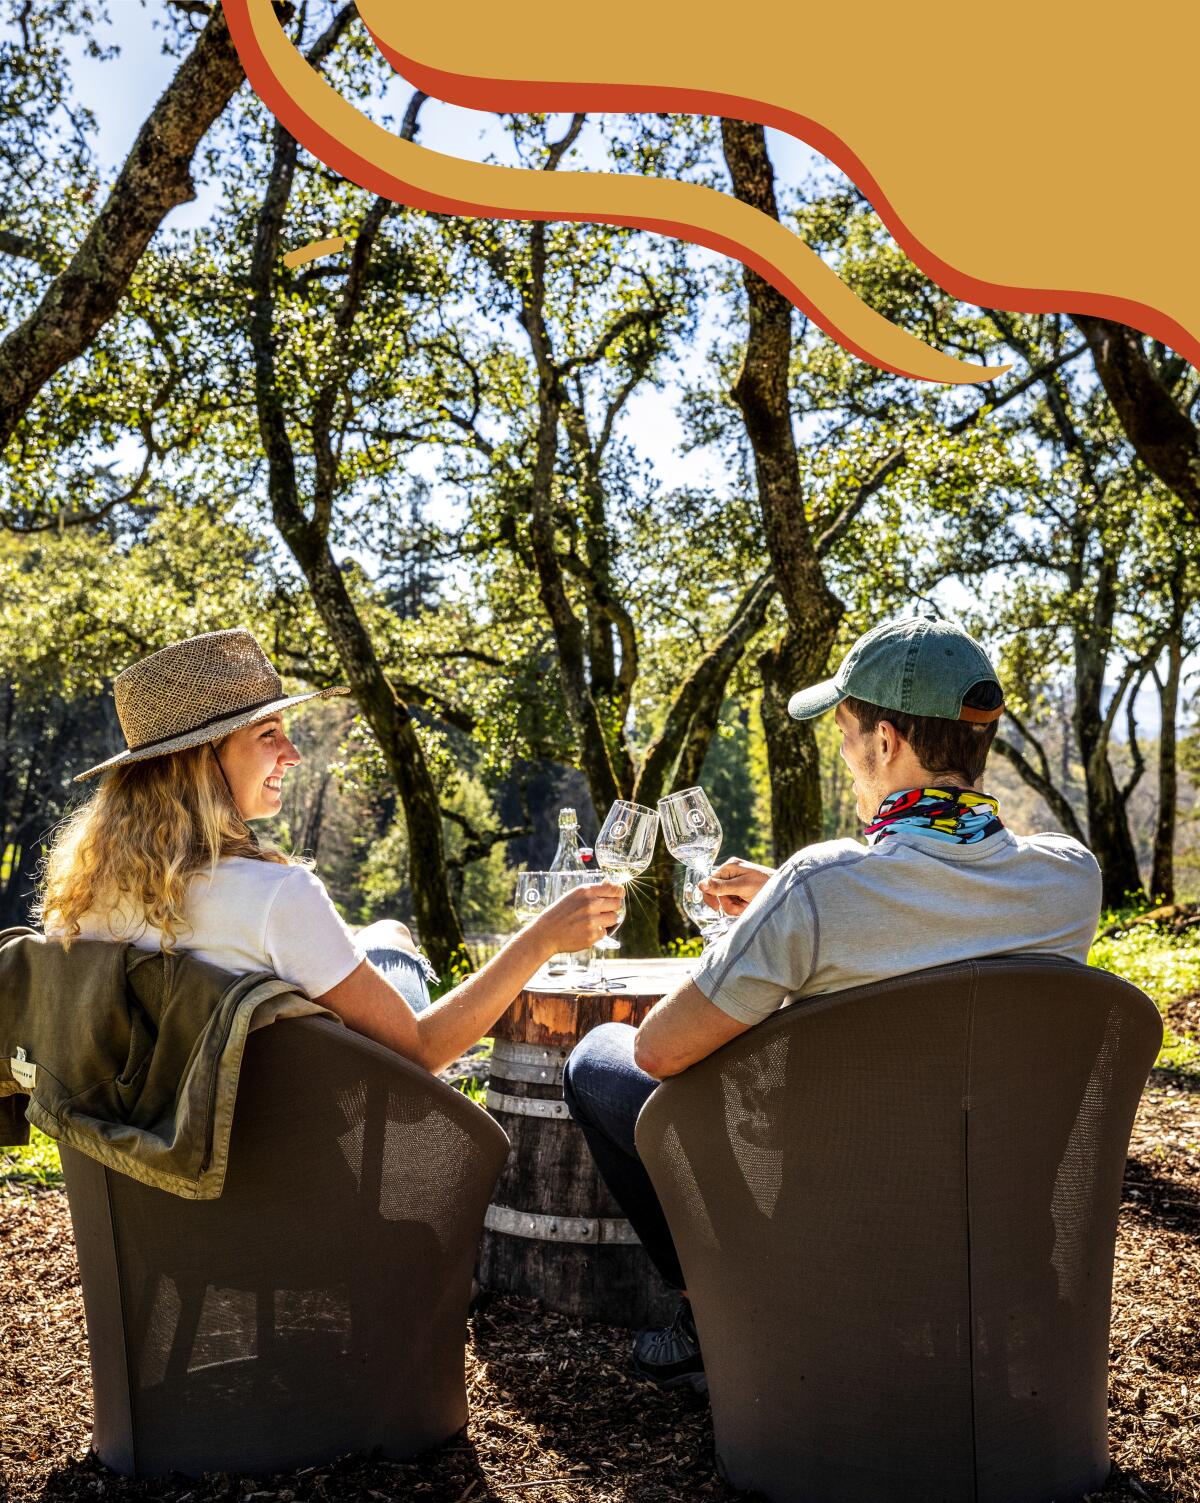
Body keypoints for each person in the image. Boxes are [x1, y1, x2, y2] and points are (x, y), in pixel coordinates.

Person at [563, 613, 1103, 1393]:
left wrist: (782, 910)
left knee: (598, 1062)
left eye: (846, 733)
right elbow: (932, 904)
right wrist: (784, 904)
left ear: (886, 743)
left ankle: (708, 1317)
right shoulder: (1069, 881)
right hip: (1001, 1226)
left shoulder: (819, 888)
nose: (844, 755)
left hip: (836, 1235)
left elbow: (659, 1051)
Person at [38, 627, 621, 1076]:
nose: (292, 754)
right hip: (294, 1159)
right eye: (269, 735)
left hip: (148, 1161)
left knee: (385, 934)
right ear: (199, 759)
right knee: (393, 942)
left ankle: (386, 943)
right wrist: (541, 937)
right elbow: (420, 1050)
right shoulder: (274, 898)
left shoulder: (80, 904)